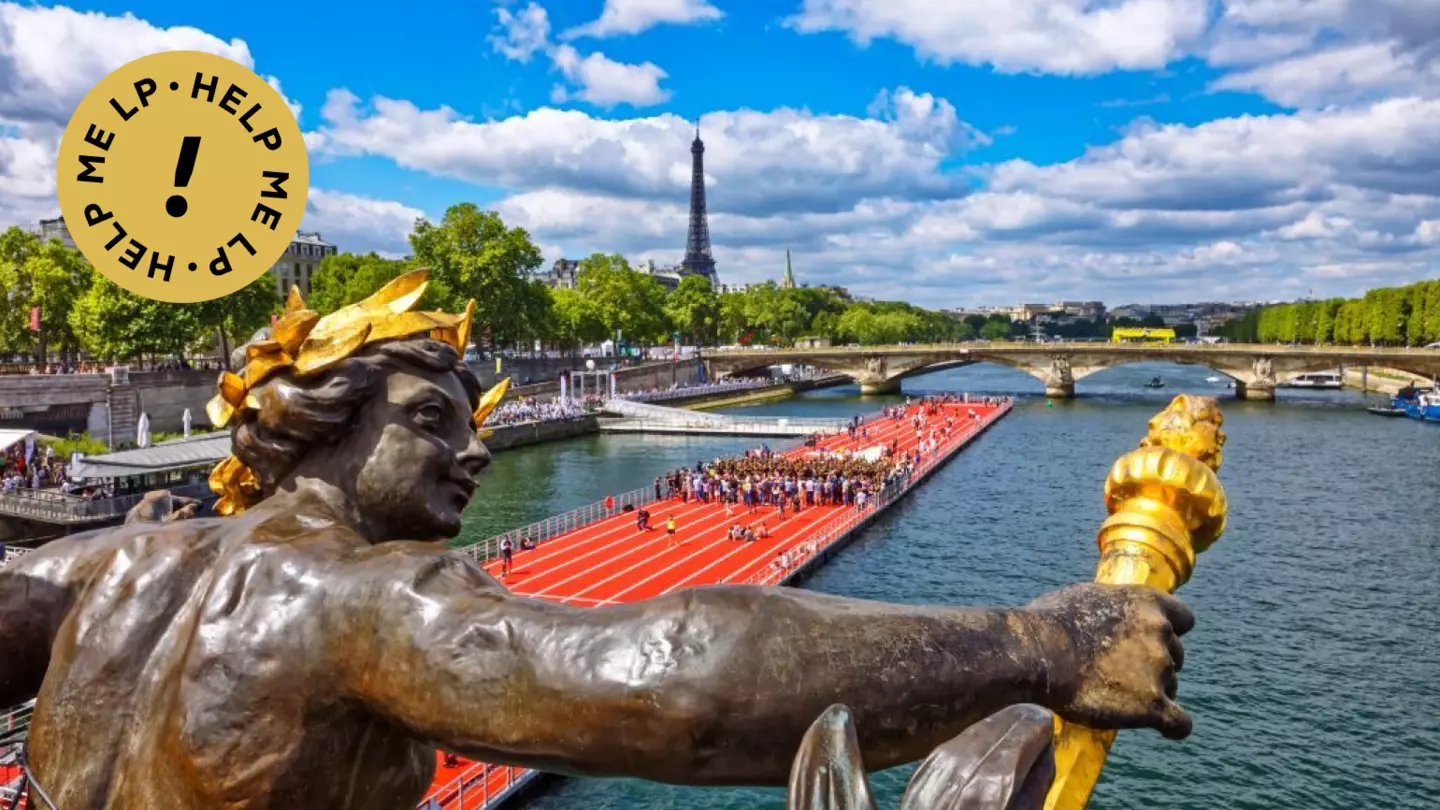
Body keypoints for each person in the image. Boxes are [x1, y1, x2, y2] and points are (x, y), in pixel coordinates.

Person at [0, 272, 1195, 809]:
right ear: (316, 421)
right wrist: (1033, 645)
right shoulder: (357, 599)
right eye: (431, 421)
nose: (471, 451)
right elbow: (683, 684)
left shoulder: (112, 563)